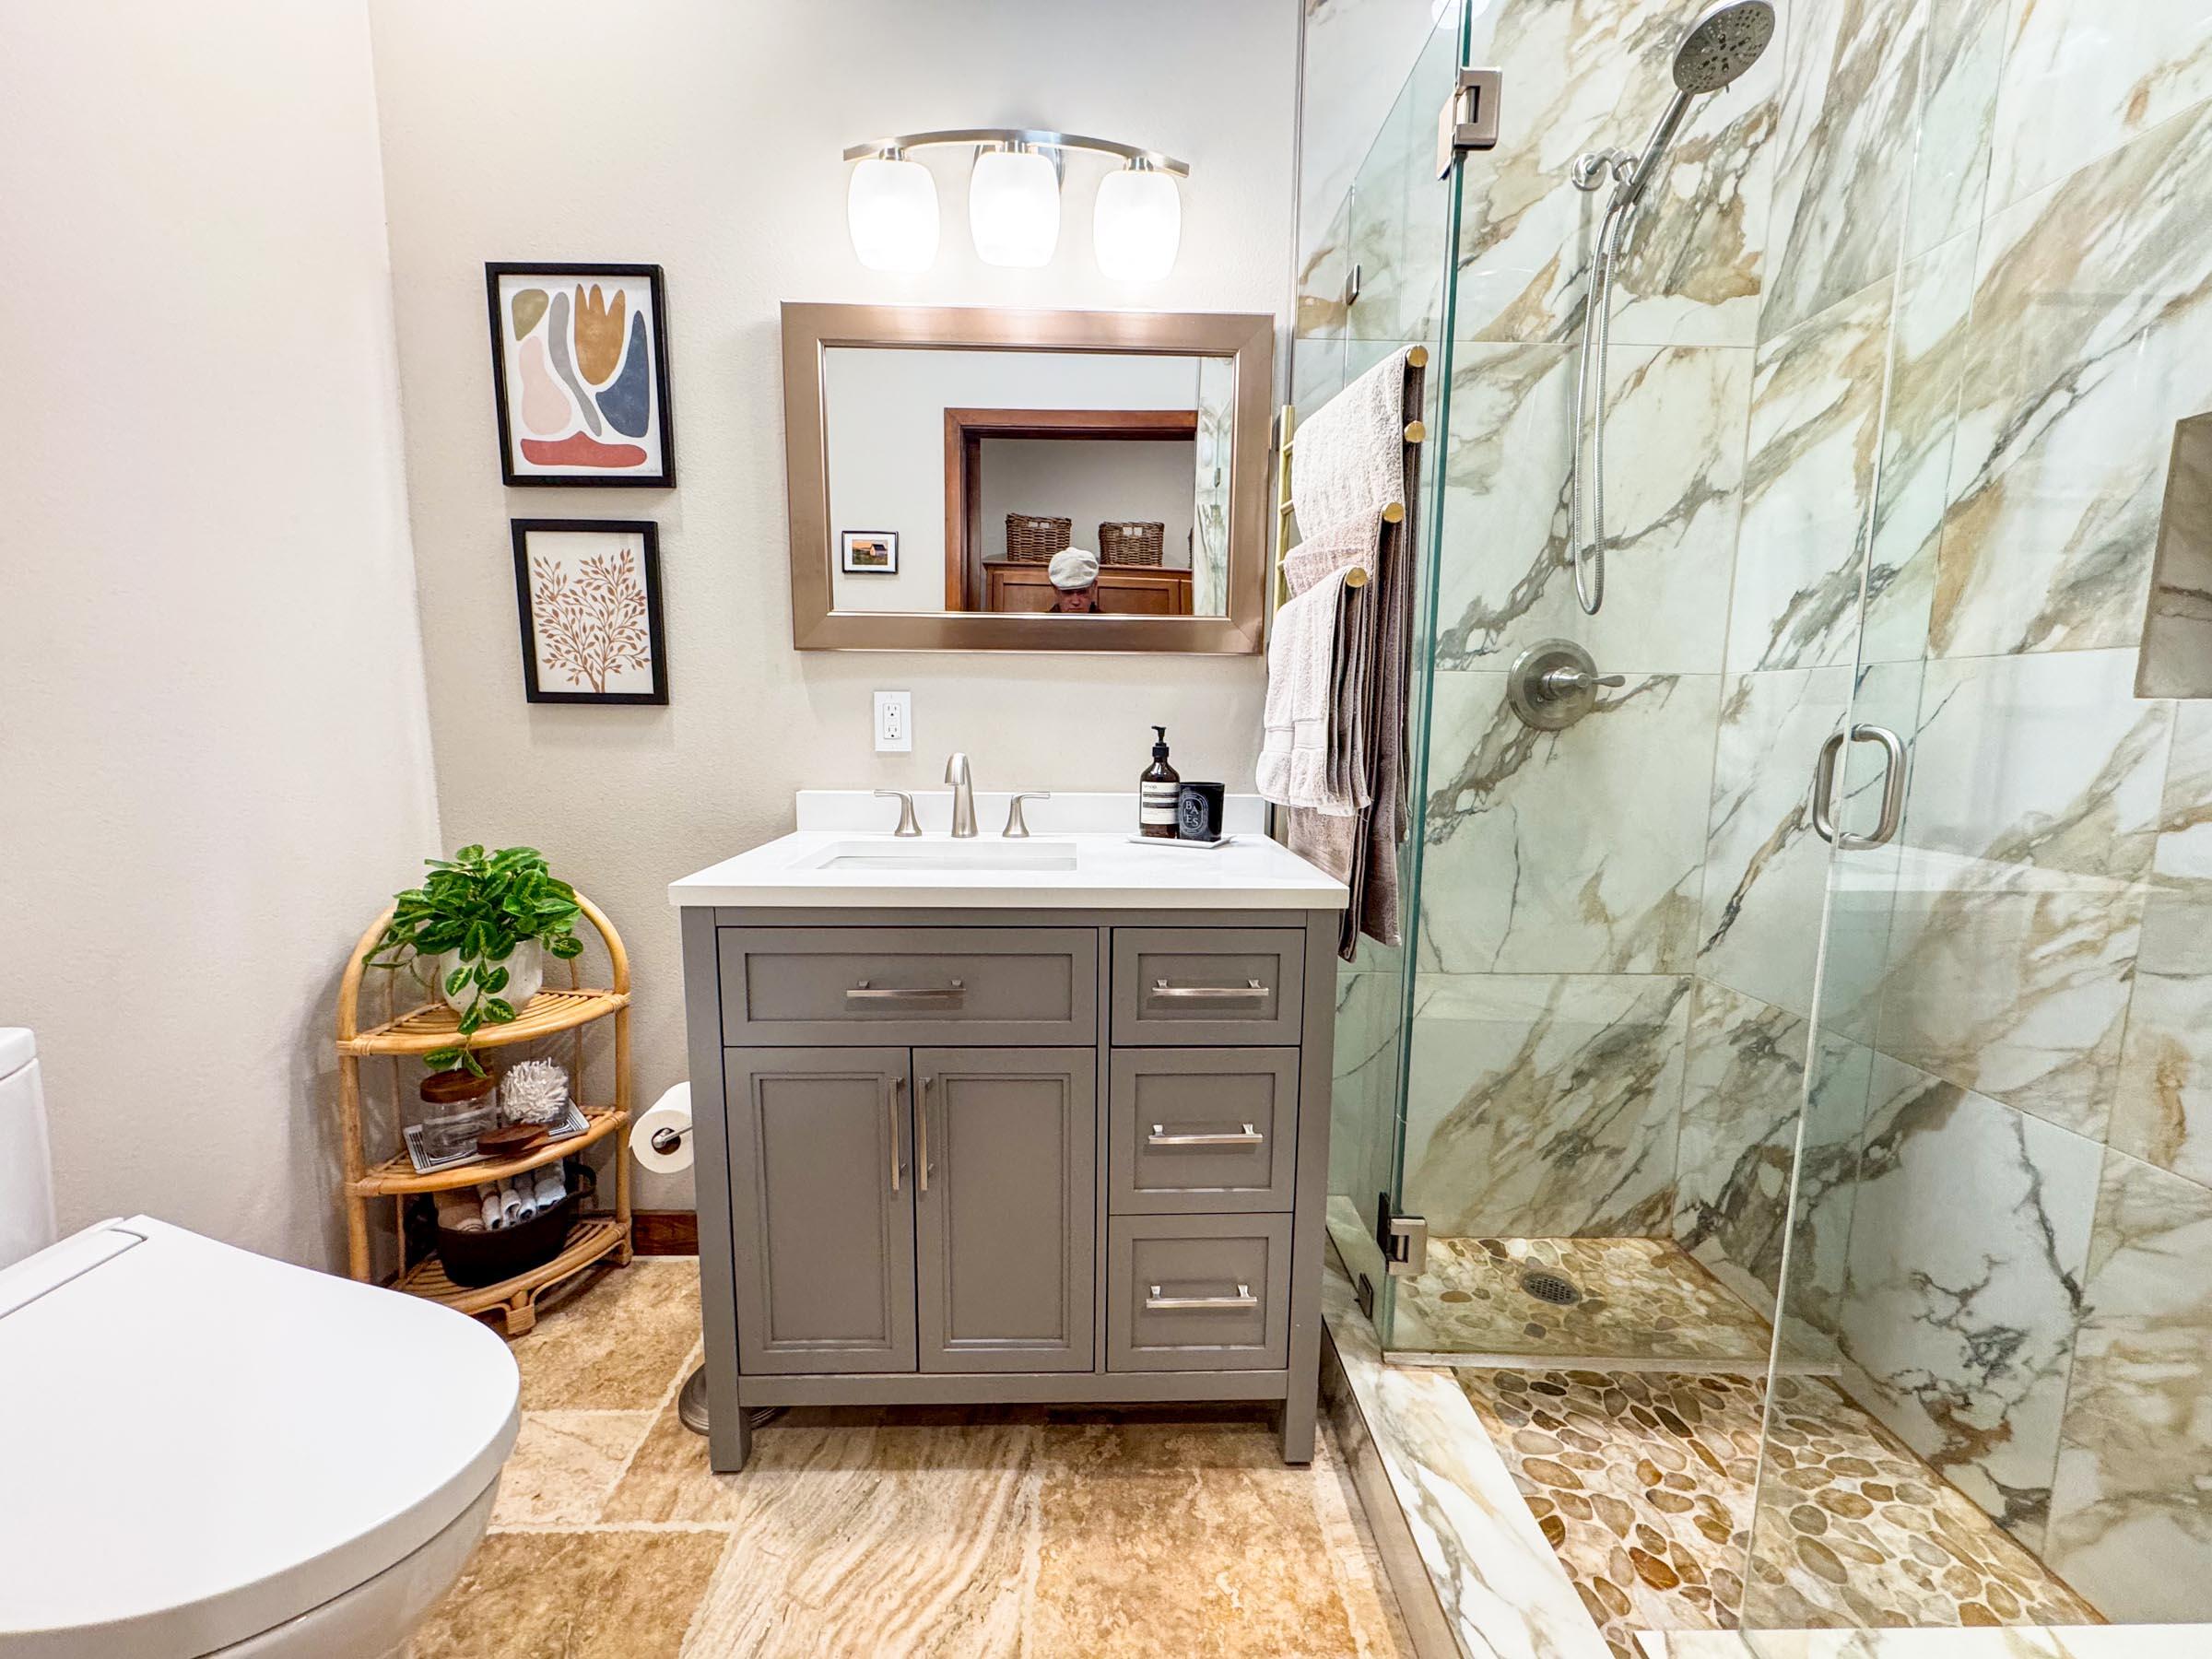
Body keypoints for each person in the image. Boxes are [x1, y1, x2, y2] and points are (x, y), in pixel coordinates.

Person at [1047, 547, 1102, 613]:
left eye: (1082, 592)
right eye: (1067, 592)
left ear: (1094, 587)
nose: (1076, 602)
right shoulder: (1039, 623)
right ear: (1055, 589)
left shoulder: (1110, 623)